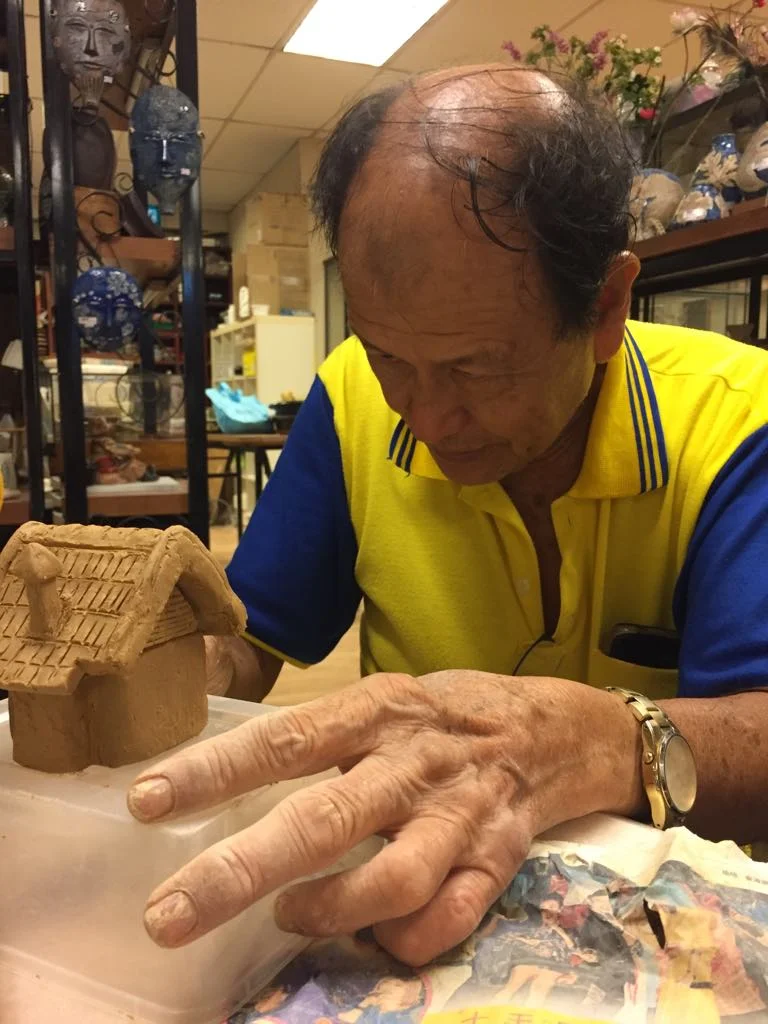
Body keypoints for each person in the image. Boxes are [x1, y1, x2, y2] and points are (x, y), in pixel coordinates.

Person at [127, 65, 768, 969]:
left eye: (477, 368)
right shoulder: (353, 400)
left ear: (607, 305)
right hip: (406, 909)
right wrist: (158, 667)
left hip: (658, 941)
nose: (425, 418)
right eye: (388, 355)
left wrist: (587, 740)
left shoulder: (740, 423)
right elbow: (248, 641)